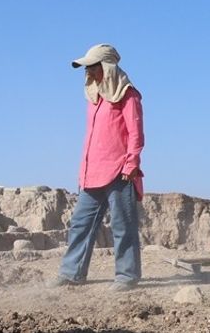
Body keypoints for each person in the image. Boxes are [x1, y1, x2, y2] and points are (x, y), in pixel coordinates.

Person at [50, 43, 145, 291]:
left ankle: (127, 276)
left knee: (122, 225)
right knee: (80, 223)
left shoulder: (128, 95)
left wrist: (131, 162)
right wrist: (82, 170)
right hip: (92, 173)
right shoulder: (94, 99)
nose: (88, 72)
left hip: (120, 170)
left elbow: (136, 134)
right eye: (87, 68)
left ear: (107, 67)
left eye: (92, 67)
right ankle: (72, 273)